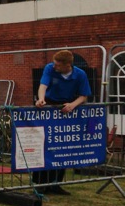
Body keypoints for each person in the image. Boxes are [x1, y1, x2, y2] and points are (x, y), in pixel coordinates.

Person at [33, 49, 92, 195]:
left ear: (67, 65)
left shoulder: (80, 74)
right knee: (45, 145)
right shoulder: (49, 68)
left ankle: (56, 183)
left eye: (58, 65)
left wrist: (72, 105)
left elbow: (84, 96)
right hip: (49, 107)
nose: (54, 66)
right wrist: (41, 99)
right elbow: (43, 85)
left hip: (66, 109)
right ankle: (39, 183)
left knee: (63, 146)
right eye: (54, 63)